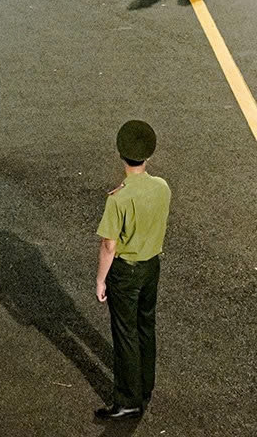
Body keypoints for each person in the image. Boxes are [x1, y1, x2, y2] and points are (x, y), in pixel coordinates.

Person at [95, 119, 169, 422]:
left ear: (120, 154)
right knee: (145, 326)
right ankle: (145, 387)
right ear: (148, 155)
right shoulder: (162, 187)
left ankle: (127, 399)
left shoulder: (119, 199)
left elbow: (109, 246)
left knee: (124, 333)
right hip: (152, 265)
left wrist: (101, 279)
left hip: (126, 272)